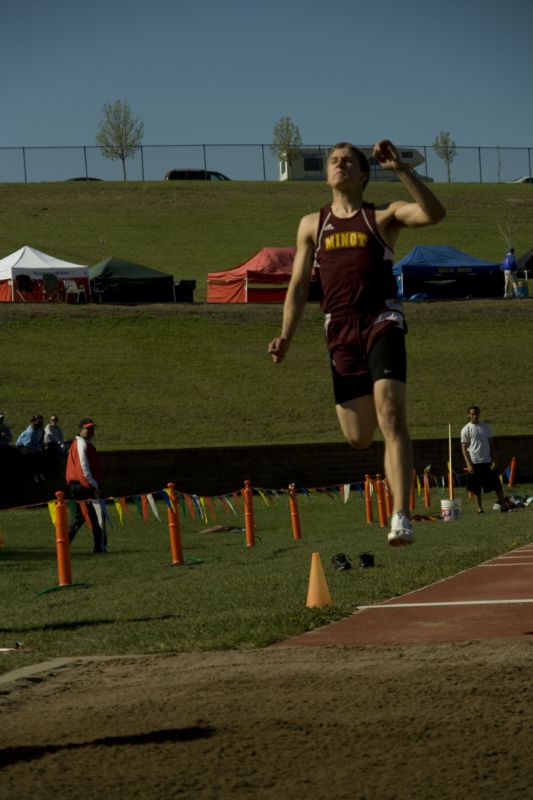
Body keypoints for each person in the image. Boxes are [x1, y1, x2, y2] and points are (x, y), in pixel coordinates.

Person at [268, 140, 446, 546]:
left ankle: (401, 514)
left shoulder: (383, 216)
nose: (338, 165)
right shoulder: (312, 224)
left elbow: (435, 214)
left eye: (348, 161)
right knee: (359, 437)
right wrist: (286, 337)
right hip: (339, 330)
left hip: (381, 320)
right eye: (333, 161)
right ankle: (395, 496)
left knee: (392, 416)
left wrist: (402, 168)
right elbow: (298, 286)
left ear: (364, 174)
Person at [65, 417, 106, 553]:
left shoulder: (80, 444)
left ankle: (64, 545)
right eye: (87, 428)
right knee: (96, 516)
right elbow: (84, 468)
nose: (90, 431)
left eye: (92, 428)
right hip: (84, 486)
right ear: (81, 429)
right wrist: (94, 486)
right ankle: (99, 547)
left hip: (80, 486)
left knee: (81, 518)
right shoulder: (81, 445)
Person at [460, 406, 507, 514]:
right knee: (476, 488)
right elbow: (463, 448)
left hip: (487, 461)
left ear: (479, 414)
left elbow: (491, 445)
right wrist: (468, 463)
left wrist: (494, 460)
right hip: (474, 462)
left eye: (476, 414)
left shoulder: (486, 427)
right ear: (468, 415)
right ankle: (479, 509)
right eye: (472, 414)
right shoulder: (466, 429)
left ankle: (503, 505)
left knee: (497, 485)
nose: (475, 416)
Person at [15, 413, 46, 482]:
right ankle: (34, 474)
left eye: (41, 421)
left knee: (41, 454)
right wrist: (37, 448)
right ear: (35, 421)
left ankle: (39, 472)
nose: (41, 423)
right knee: (34, 454)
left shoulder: (38, 429)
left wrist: (40, 446)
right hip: (21, 446)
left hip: (32, 446)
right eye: (39, 421)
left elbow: (37, 441)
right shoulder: (31, 431)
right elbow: (28, 443)